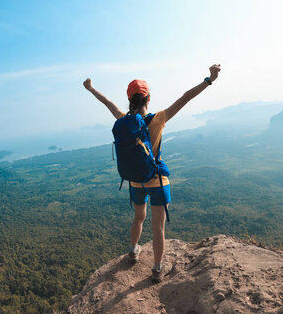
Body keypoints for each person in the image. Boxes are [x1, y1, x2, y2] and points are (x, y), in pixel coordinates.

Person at [83, 64, 221, 282]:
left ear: (130, 100)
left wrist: (91, 89)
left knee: (138, 217)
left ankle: (133, 249)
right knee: (158, 229)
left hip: (136, 180)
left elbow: (108, 103)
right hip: (156, 179)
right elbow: (186, 97)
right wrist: (210, 79)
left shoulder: (122, 120)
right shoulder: (159, 118)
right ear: (148, 98)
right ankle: (157, 269)